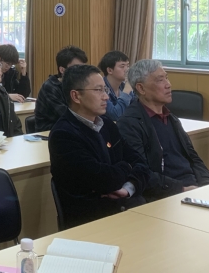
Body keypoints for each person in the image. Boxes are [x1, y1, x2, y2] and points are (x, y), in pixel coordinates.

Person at [49, 65, 150, 228]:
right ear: (76, 96)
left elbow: (141, 163)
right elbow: (104, 180)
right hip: (92, 221)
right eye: (98, 90)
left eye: (105, 90)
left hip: (127, 207)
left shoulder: (107, 124)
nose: (106, 97)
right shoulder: (64, 134)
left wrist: (128, 188)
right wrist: (127, 166)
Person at [117, 60, 209, 200]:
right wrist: (181, 189)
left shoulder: (171, 118)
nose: (168, 85)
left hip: (193, 189)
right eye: (160, 80)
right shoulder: (129, 123)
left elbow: (193, 158)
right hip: (166, 195)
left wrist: (208, 184)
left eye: (167, 78)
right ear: (141, 88)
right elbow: (142, 173)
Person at [35, 46, 88, 132]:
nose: (81, 72)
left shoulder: (79, 85)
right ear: (62, 70)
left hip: (72, 129)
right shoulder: (50, 87)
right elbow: (67, 115)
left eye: (83, 68)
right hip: (50, 132)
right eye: (76, 68)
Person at [98, 50, 133, 122]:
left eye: (128, 66)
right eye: (122, 66)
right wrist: (127, 90)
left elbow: (135, 109)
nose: (127, 70)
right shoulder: (100, 89)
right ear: (110, 70)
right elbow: (114, 115)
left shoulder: (123, 86)